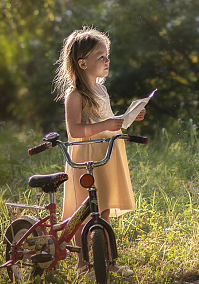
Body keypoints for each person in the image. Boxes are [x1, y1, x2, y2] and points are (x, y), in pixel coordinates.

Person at [53, 27, 144, 279]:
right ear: (83, 63)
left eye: (107, 56)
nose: (107, 61)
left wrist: (127, 118)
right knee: (85, 211)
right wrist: (106, 125)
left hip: (106, 153)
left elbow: (106, 120)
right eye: (101, 57)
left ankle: (107, 261)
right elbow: (75, 129)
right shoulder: (76, 95)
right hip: (86, 156)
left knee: (102, 209)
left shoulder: (101, 89)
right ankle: (83, 265)